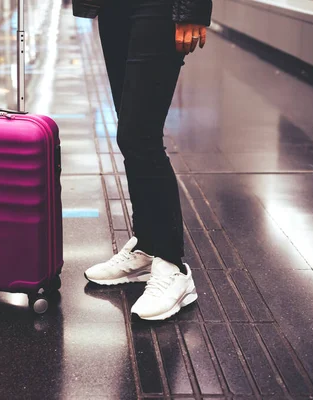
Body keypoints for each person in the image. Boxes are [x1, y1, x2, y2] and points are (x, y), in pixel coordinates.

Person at [83, 0, 212, 320]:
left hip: (160, 7)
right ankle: (148, 246)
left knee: (139, 135)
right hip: (113, 8)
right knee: (130, 134)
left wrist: (192, 9)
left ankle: (173, 267)